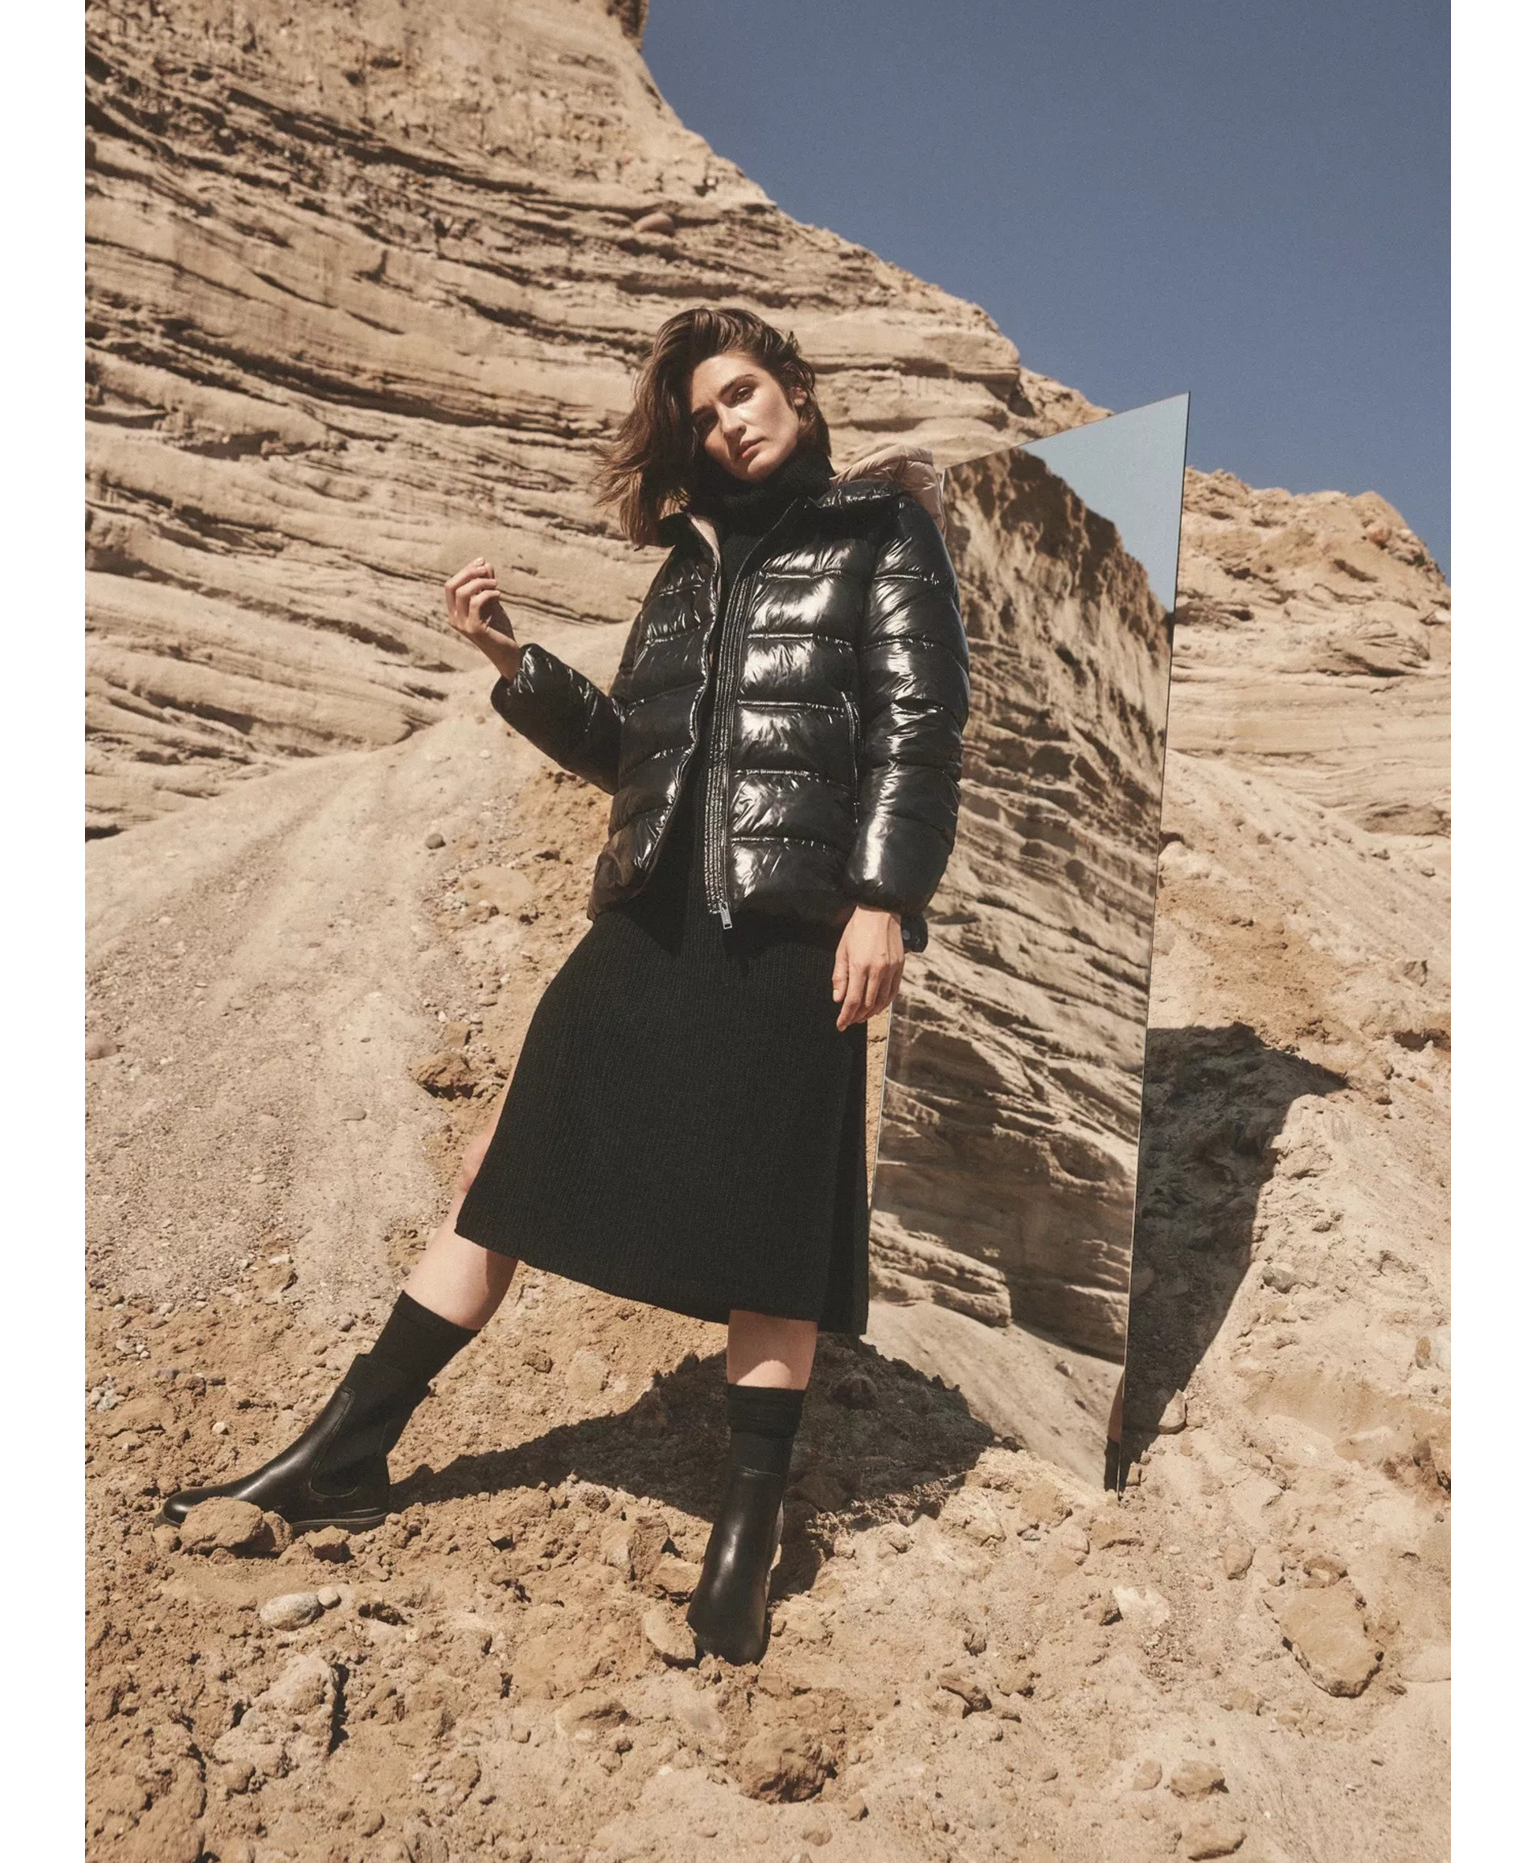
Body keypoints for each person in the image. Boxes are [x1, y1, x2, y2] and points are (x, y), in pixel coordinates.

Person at [160, 306, 970, 1666]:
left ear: (794, 390)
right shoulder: (690, 565)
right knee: (506, 1167)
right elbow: (635, 757)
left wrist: (884, 898)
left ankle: (745, 1538)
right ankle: (342, 1454)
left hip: (793, 931)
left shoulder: (881, 532)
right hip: (649, 924)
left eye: (744, 393)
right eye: (704, 415)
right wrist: (510, 662)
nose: (730, 424)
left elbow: (918, 726)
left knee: (775, 1234)